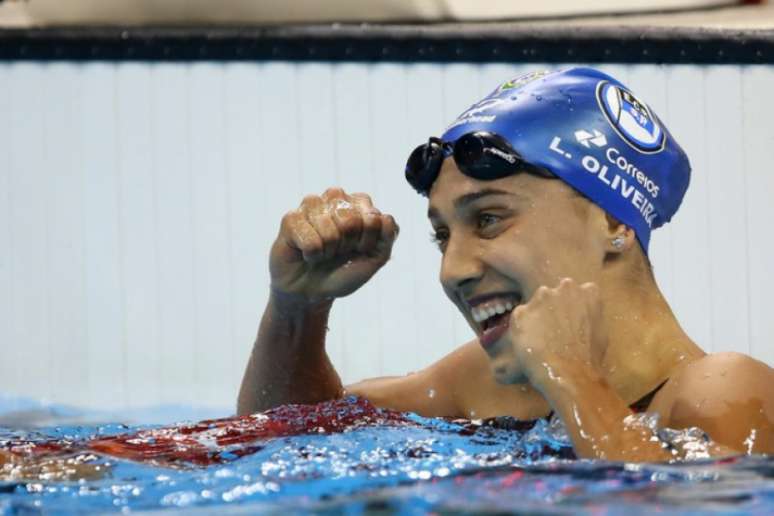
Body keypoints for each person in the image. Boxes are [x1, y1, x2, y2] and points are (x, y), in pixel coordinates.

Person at [238, 67, 773, 461]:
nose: (453, 270)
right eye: (442, 235)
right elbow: (281, 439)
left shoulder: (721, 391)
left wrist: (571, 378)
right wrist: (296, 310)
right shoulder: (488, 386)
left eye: (489, 219)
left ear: (615, 223)